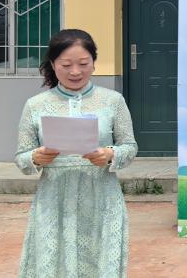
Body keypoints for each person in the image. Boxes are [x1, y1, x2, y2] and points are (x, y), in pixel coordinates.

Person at [15, 29, 138, 277]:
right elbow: (21, 157)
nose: (75, 72)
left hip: (101, 197)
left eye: (83, 64)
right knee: (53, 263)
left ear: (94, 63)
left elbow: (130, 146)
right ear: (53, 65)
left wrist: (110, 154)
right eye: (66, 65)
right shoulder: (35, 105)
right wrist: (36, 157)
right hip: (54, 198)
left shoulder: (113, 101)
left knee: (101, 262)